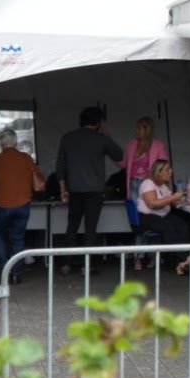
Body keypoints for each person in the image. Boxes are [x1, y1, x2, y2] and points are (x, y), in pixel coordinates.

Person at [53, 107, 122, 274]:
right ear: (98, 123)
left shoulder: (68, 138)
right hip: (95, 190)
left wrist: (63, 189)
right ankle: (86, 265)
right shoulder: (101, 139)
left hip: (74, 189)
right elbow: (119, 155)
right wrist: (106, 134)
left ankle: (66, 264)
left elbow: (60, 166)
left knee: (72, 225)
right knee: (91, 228)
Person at [0, 129, 43, 284]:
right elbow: (38, 178)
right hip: (23, 204)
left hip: (1, 205)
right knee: (17, 238)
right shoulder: (26, 158)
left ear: (1, 143)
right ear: (16, 142)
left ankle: (5, 269)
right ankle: (16, 274)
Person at [118, 116, 168, 202]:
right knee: (135, 212)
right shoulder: (131, 144)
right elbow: (124, 163)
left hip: (149, 184)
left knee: (148, 211)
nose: (136, 131)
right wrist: (112, 154)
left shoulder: (158, 145)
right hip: (133, 183)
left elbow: (164, 165)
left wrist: (151, 176)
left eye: (139, 128)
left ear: (147, 130)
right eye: (136, 128)